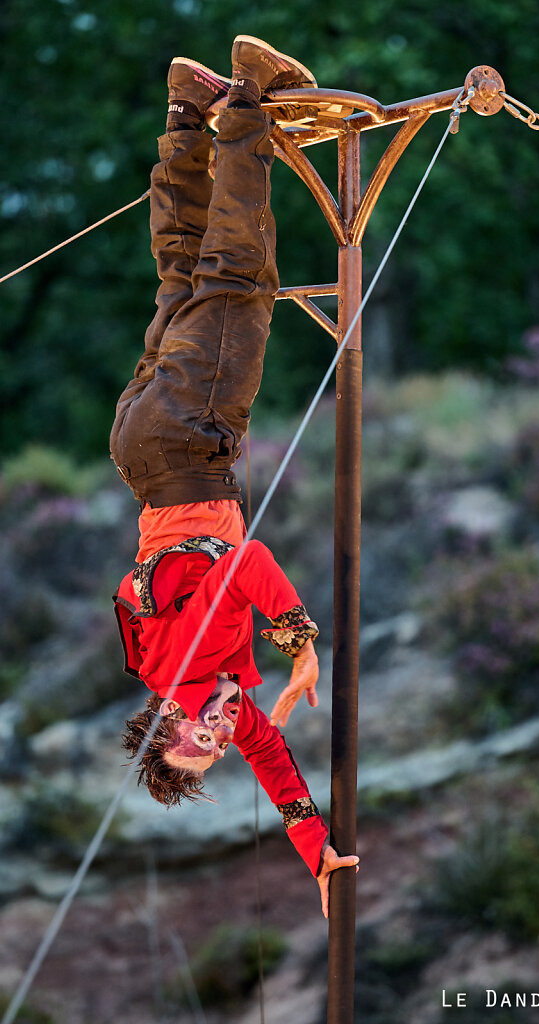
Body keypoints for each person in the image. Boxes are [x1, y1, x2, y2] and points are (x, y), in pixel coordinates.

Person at [110, 36, 357, 916]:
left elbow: (236, 564)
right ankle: (185, 110)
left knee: (239, 281)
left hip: (187, 446)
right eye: (210, 750)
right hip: (149, 449)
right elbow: (279, 773)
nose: (212, 735)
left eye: (188, 739)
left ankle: (248, 100)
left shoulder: (181, 667)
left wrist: (300, 642)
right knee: (182, 278)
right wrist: (317, 853)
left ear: (163, 724)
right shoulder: (223, 699)